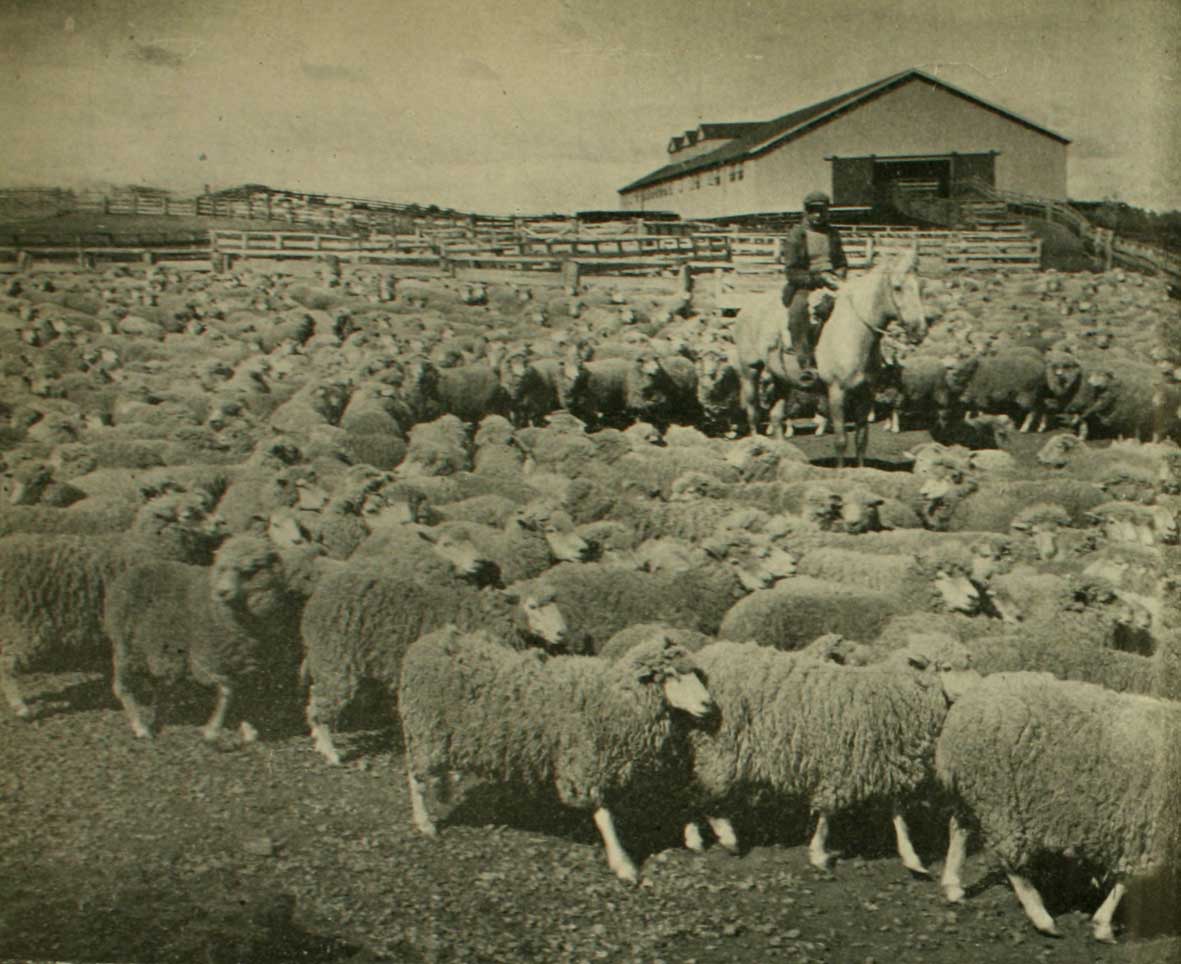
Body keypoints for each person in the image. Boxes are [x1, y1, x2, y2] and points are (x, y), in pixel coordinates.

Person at [781, 191, 848, 378]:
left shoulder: (832, 233)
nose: (818, 215)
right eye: (813, 211)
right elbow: (792, 272)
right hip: (805, 285)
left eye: (822, 211)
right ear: (806, 212)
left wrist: (838, 276)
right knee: (798, 313)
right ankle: (806, 363)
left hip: (833, 283)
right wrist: (819, 279)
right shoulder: (797, 235)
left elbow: (841, 261)